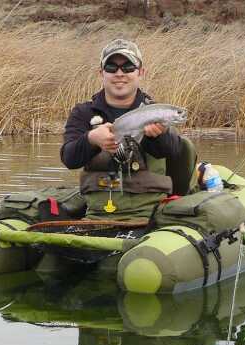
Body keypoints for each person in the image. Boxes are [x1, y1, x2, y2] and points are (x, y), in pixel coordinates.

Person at [60, 39, 184, 220]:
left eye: (128, 67)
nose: (120, 73)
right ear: (101, 72)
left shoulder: (156, 111)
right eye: (111, 67)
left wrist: (158, 136)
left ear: (141, 72)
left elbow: (174, 151)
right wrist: (91, 139)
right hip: (97, 214)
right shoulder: (83, 113)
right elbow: (69, 159)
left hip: (151, 214)